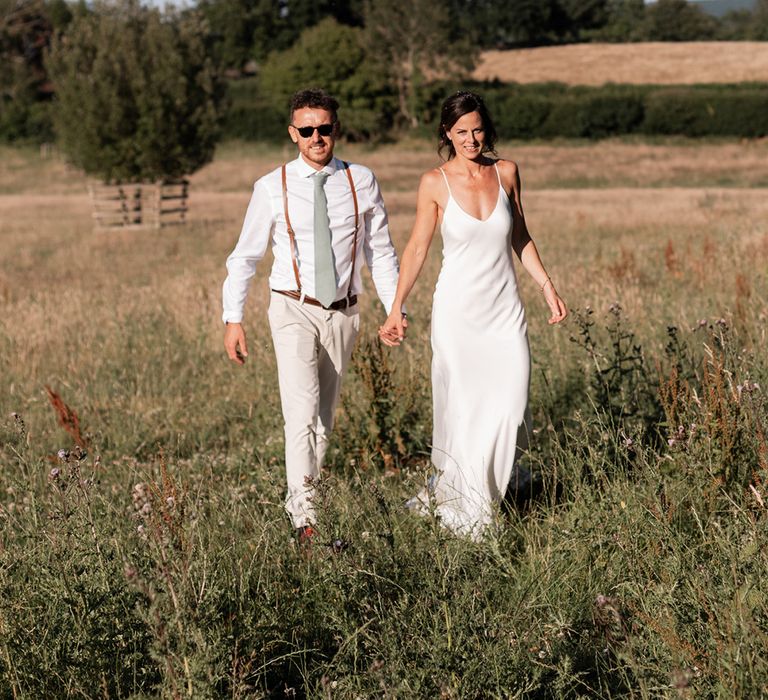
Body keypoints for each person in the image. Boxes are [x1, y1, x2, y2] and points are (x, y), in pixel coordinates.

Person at [379, 91, 567, 537]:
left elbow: (520, 235)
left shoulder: (506, 173)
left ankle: (478, 488)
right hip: (457, 316)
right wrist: (396, 307)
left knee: (510, 407)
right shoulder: (434, 182)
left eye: (478, 129)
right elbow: (418, 247)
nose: (471, 138)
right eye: (461, 131)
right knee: (464, 409)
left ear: (488, 128)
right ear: (447, 133)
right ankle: (472, 513)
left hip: (504, 312)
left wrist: (547, 286)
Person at [222, 88, 403, 542]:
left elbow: (380, 252)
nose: (317, 137)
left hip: (345, 313)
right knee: (300, 413)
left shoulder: (361, 180)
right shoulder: (271, 187)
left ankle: (309, 498)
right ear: (293, 134)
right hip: (292, 308)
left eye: (324, 128)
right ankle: (306, 522)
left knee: (324, 418)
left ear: (336, 129)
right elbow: (245, 257)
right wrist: (233, 317)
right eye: (307, 130)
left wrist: (397, 307)